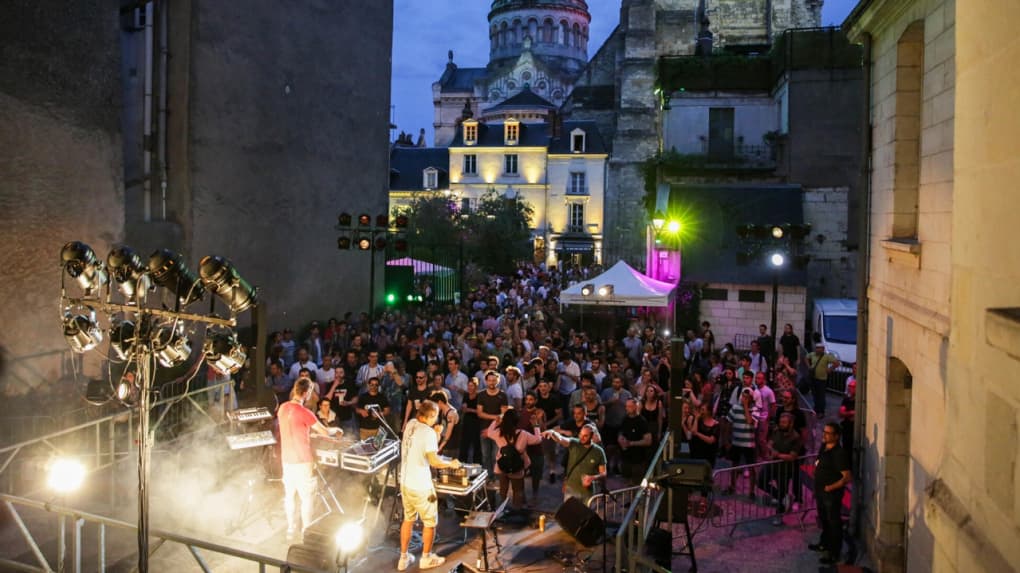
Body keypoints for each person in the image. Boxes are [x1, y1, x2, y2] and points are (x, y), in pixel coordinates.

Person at [398, 400, 460, 571]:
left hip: (405, 482)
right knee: (429, 522)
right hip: (421, 486)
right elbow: (433, 461)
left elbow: (422, 445)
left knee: (408, 519)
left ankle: (403, 558)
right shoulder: (429, 434)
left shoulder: (411, 423)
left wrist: (436, 434)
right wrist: (451, 464)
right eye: (436, 417)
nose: (437, 419)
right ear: (431, 415)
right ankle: (426, 557)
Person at [278, 378, 341, 539]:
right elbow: (325, 432)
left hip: (287, 460)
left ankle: (290, 530)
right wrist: (337, 429)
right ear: (306, 393)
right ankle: (306, 530)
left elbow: (295, 428)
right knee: (307, 497)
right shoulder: (305, 412)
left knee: (289, 495)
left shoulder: (283, 408)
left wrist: (308, 432)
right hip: (303, 461)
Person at [809, 422, 851, 566]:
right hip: (820, 491)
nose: (824, 435)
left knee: (834, 523)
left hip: (831, 494)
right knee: (824, 520)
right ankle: (824, 544)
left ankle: (834, 553)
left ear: (836, 436)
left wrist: (830, 487)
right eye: (824, 432)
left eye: (828, 433)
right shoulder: (824, 447)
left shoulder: (839, 454)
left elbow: (847, 477)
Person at [485, 408, 542, 509]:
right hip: (517, 466)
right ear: (517, 421)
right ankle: (517, 511)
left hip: (502, 466)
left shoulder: (499, 433)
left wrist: (496, 422)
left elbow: (489, 432)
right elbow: (538, 439)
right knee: (517, 491)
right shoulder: (523, 434)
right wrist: (536, 425)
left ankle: (502, 510)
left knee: (503, 490)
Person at [756, 412, 803, 525]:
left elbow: (792, 456)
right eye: (781, 422)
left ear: (790, 424)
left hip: (785, 469)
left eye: (784, 422)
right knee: (761, 482)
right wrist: (770, 450)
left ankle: (779, 515)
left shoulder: (795, 437)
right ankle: (782, 497)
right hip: (772, 464)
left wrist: (778, 455)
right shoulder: (777, 431)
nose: (781, 424)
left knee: (782, 489)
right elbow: (770, 443)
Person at [543, 423, 607, 503]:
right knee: (569, 514)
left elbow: (603, 473)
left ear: (592, 436)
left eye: (585, 436)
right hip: (571, 491)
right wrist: (552, 433)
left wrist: (593, 478)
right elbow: (561, 439)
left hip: (587, 494)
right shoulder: (574, 443)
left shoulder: (599, 451)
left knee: (586, 515)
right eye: (581, 434)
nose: (581, 438)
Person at [476, 371, 509, 477]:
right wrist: (495, 417)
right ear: (486, 381)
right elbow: (480, 413)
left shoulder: (502, 395)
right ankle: (487, 477)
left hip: (498, 430)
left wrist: (498, 418)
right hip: (484, 428)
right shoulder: (481, 395)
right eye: (489, 380)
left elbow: (504, 415)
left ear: (498, 381)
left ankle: (496, 477)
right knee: (485, 455)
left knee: (496, 455)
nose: (491, 382)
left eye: (494, 380)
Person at [617, 398, 652, 485]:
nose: (627, 408)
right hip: (626, 458)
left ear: (635, 407)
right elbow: (621, 432)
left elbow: (648, 441)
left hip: (638, 460)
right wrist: (620, 439)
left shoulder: (642, 422)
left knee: (636, 484)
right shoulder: (625, 419)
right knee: (625, 482)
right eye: (626, 406)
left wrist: (631, 443)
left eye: (629, 406)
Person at [806, 342, 840, 416]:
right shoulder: (812, 354)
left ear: (823, 349)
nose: (817, 350)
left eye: (819, 348)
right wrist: (809, 366)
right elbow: (806, 358)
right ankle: (816, 409)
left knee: (821, 396)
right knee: (815, 395)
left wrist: (830, 369)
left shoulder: (827, 356)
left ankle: (821, 411)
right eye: (816, 348)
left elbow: (837, 363)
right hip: (813, 378)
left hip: (822, 379)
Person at [458, 379, 482, 464]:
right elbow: (464, 406)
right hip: (467, 422)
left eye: (471, 386)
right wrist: (463, 408)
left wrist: (469, 410)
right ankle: (462, 463)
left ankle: (477, 464)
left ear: (476, 387)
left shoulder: (479, 396)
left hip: (476, 423)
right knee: (464, 444)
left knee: (476, 445)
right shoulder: (466, 395)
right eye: (468, 385)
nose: (469, 387)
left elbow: (480, 412)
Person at [689, 403, 719, 468]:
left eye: (703, 410)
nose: (700, 411)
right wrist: (696, 419)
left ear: (708, 412)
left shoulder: (715, 424)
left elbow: (711, 440)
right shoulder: (698, 421)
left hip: (708, 454)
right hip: (697, 452)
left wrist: (698, 434)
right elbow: (693, 432)